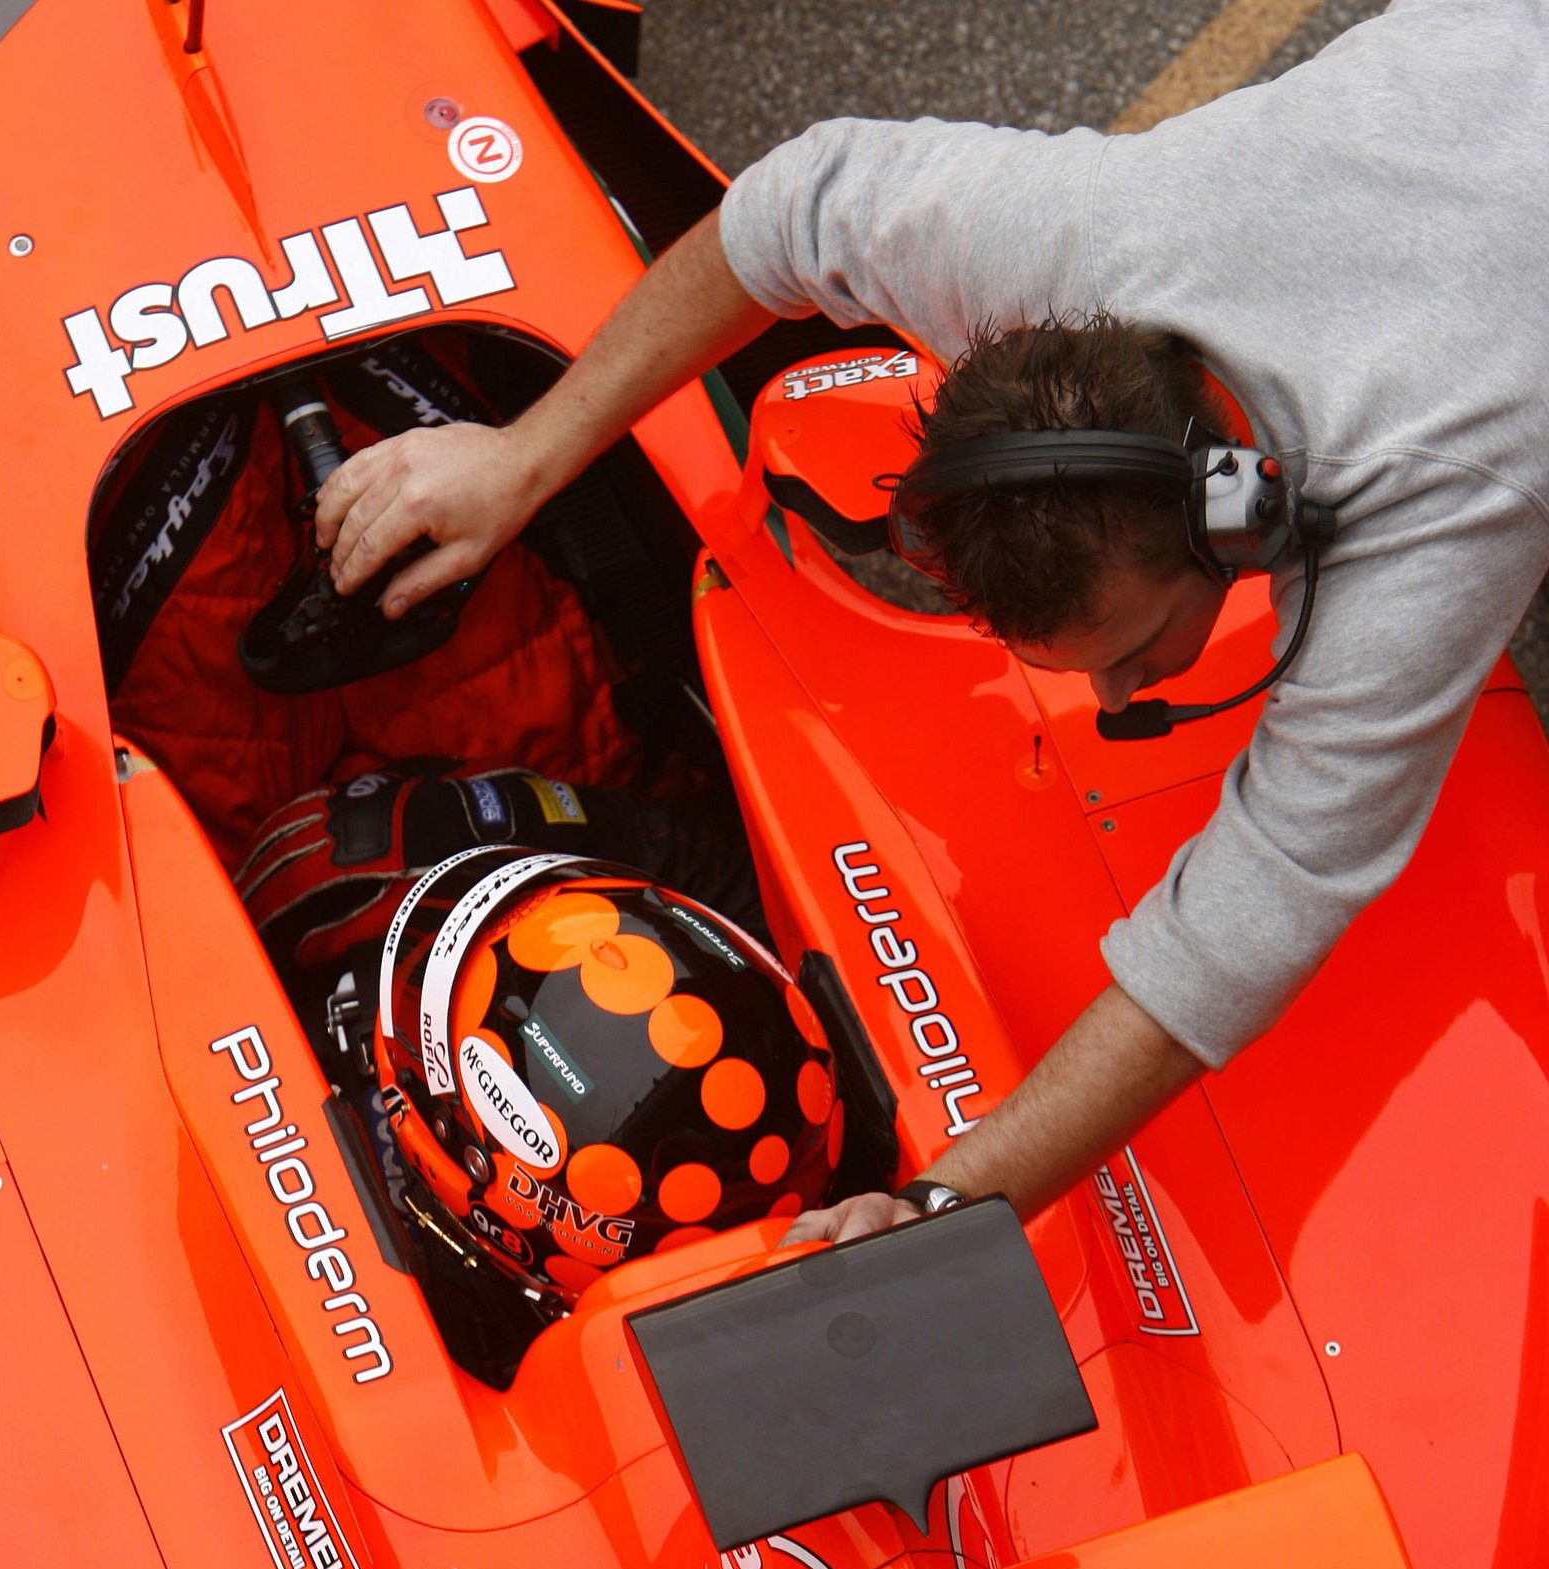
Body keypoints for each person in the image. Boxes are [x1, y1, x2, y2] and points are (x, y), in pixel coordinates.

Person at [315, 0, 1549, 1244]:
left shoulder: (1432, 512)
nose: (1116, 700)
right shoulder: (1073, 241)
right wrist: (522, 457)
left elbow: (1251, 921)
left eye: (1129, 655)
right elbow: (791, 209)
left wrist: (938, 1204)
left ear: (1243, 523)